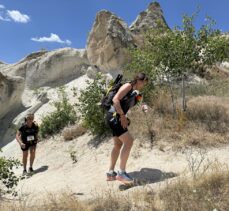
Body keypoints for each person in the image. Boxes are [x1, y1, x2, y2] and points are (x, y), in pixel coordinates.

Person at [106, 73, 148, 184]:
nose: (144, 85)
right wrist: (123, 116)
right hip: (115, 117)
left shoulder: (135, 92)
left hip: (114, 117)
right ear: (139, 81)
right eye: (144, 82)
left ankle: (110, 173)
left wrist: (143, 106)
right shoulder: (128, 86)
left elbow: (134, 102)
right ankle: (121, 173)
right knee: (129, 142)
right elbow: (115, 100)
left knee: (118, 144)